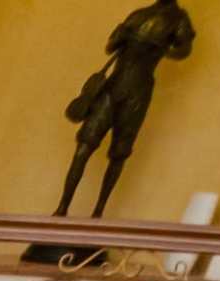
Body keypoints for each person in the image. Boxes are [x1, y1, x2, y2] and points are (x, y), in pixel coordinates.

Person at [56, 1, 197, 220]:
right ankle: (62, 208)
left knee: (119, 153)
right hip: (112, 88)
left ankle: (98, 213)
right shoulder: (139, 14)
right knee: (84, 146)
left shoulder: (179, 19)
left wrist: (158, 48)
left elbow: (183, 50)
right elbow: (110, 46)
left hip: (137, 93)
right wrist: (122, 35)